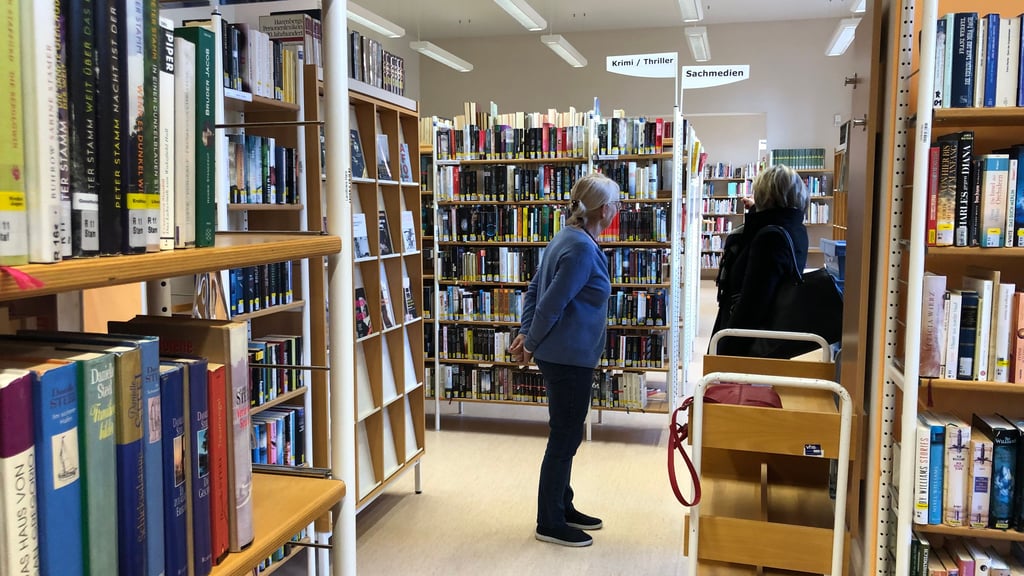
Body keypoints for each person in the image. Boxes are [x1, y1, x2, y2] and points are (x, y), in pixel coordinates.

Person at [509, 172, 620, 548]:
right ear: (604, 210)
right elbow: (550, 303)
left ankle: (562, 505)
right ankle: (550, 521)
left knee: (566, 434)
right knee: (565, 437)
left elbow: (533, 290)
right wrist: (529, 342)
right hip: (568, 357)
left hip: (565, 353)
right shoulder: (581, 249)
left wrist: (526, 333)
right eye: (617, 204)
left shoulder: (567, 237)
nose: (619, 210)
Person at [710, 164, 810, 357]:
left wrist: (726, 349)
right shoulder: (793, 227)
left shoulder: (770, 238)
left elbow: (752, 304)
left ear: (766, 195)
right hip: (770, 338)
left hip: (748, 345)